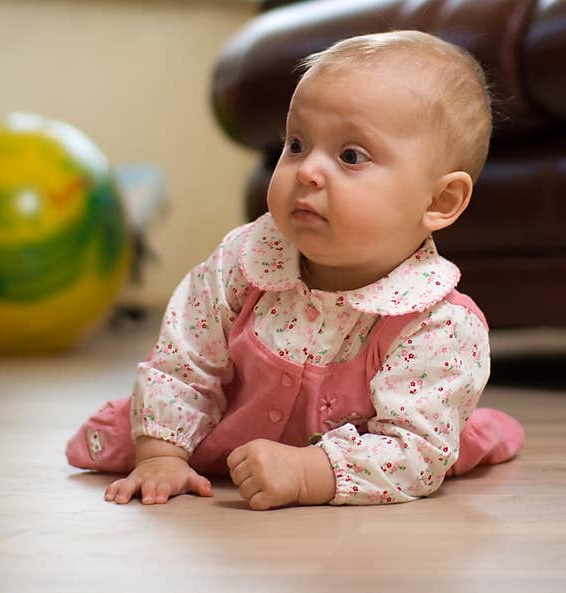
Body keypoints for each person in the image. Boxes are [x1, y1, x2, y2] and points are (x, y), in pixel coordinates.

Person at [66, 30, 524, 509]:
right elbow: (184, 362)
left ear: (439, 200)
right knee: (126, 437)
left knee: (442, 436)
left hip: (366, 451)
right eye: (297, 144)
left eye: (351, 156)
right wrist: (161, 454)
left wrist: (311, 473)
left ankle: (469, 422)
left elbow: (413, 451)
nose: (307, 172)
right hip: (224, 428)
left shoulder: (439, 324)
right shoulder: (243, 262)